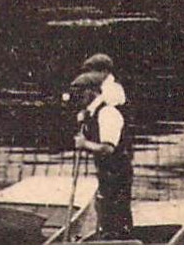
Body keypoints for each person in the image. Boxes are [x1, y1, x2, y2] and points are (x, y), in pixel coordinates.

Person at [72, 69, 132, 240]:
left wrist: (84, 144)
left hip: (117, 172)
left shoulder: (108, 114)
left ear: (93, 92)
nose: (79, 96)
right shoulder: (93, 112)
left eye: (82, 92)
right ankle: (107, 238)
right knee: (104, 211)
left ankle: (119, 242)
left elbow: (108, 148)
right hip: (106, 171)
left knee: (115, 215)